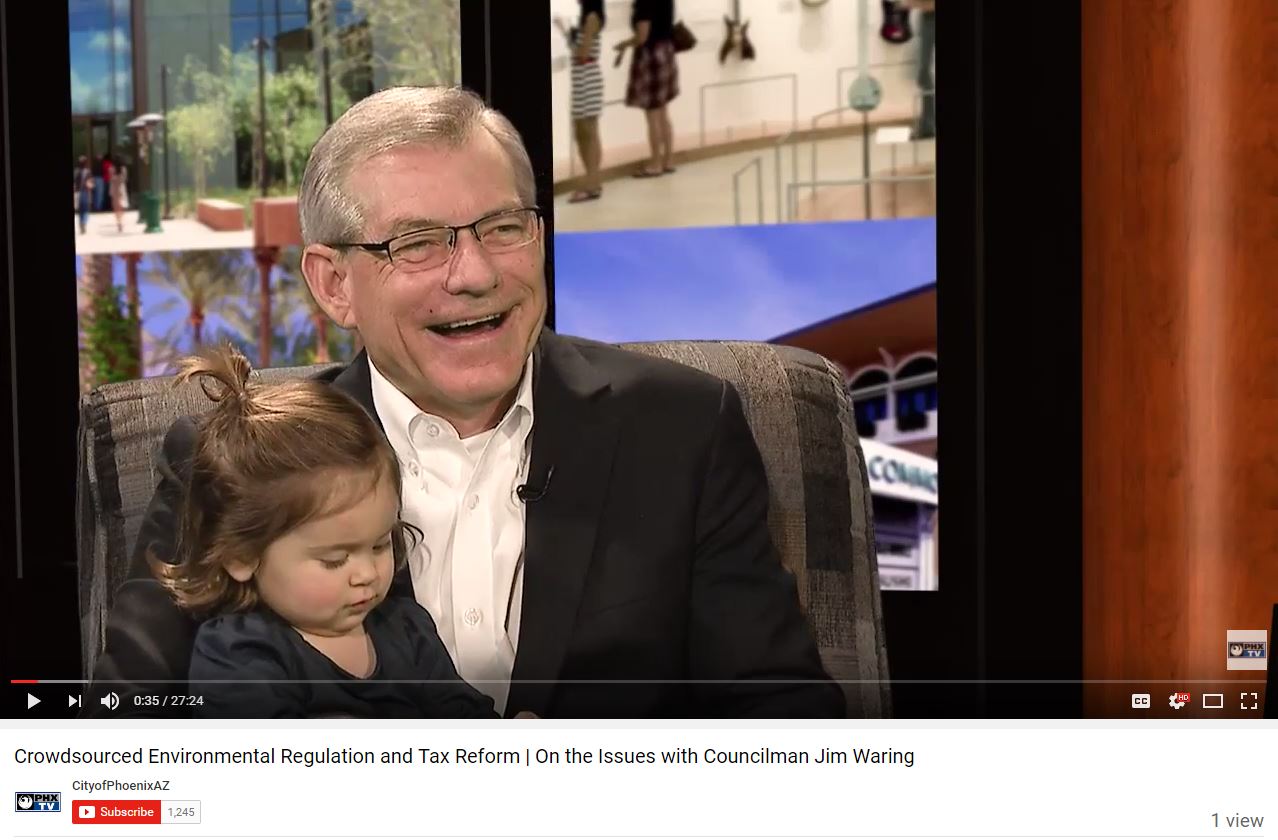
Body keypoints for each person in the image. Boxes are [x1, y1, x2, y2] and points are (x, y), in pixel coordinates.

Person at [87, 85, 844, 719]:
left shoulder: (683, 427)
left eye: (504, 228)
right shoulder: (234, 456)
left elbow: (785, 723)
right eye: (417, 243)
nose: (476, 274)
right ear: (334, 284)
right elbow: (123, 740)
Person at [156, 344, 497, 719]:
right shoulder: (239, 653)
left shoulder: (408, 629)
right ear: (241, 556)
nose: (366, 574)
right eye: (335, 560)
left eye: (380, 545)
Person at [616, 0, 679, 178]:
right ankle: (668, 160)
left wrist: (623, 44)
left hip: (651, 56)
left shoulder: (644, 3)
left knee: (652, 115)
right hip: (666, 51)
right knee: (663, 112)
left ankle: (655, 163)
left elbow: (642, 36)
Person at [556, 1, 606, 202]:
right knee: (584, 132)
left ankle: (592, 182)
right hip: (583, 79)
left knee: (588, 131)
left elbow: (583, 53)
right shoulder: (588, 18)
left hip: (588, 79)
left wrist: (566, 33)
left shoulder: (592, 17)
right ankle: (593, 180)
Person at [73, 155, 93, 235]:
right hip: (85, 192)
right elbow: (90, 184)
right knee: (86, 209)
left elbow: (74, 183)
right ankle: (84, 223)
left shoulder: (76, 172)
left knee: (80, 210)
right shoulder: (88, 172)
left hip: (78, 193)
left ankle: (81, 223)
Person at [110, 155, 128, 232]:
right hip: (121, 188)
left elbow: (111, 178)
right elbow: (124, 179)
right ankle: (120, 221)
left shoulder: (111, 169)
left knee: (116, 207)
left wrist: (115, 178)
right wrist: (118, 178)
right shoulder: (123, 169)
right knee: (122, 206)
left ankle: (119, 222)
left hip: (114, 188)